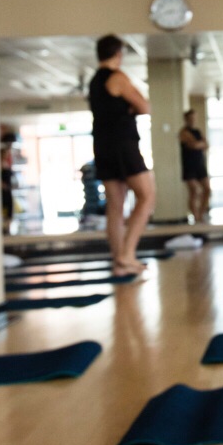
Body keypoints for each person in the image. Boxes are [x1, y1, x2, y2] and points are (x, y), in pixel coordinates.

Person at [87, 34, 154, 275]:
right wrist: (130, 106)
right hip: (123, 144)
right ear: (118, 54)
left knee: (115, 205)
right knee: (146, 197)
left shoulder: (94, 81)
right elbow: (145, 107)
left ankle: (119, 261)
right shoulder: (118, 76)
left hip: (102, 145)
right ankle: (127, 254)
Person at [178, 108, 210, 224]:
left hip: (200, 164)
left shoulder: (198, 131)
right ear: (186, 119)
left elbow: (205, 145)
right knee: (195, 191)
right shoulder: (183, 132)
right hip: (189, 166)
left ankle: (201, 215)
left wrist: (199, 144)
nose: (193, 120)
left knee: (207, 189)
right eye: (191, 118)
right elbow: (194, 145)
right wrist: (200, 144)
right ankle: (196, 217)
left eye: (194, 118)